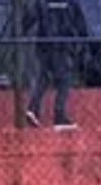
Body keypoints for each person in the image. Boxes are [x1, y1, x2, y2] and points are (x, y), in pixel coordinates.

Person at [24, 0, 90, 128]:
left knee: (44, 77)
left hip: (45, 43)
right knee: (64, 80)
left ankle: (33, 108)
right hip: (61, 43)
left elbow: (29, 19)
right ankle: (59, 115)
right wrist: (82, 40)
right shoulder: (70, 2)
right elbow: (79, 22)